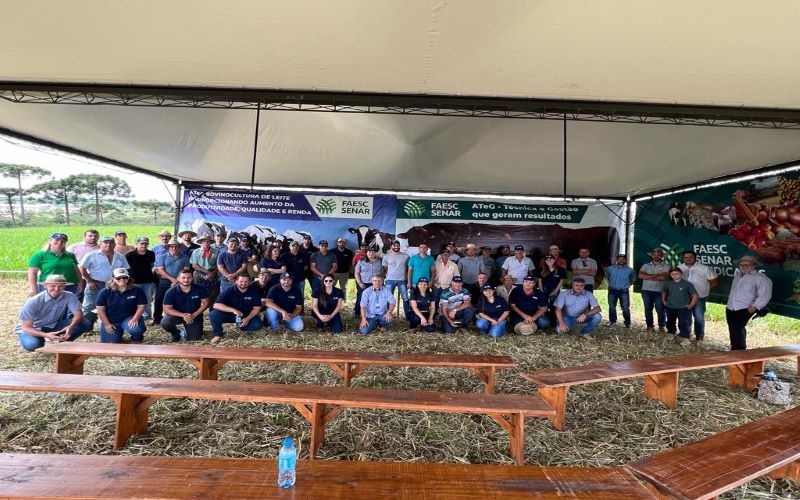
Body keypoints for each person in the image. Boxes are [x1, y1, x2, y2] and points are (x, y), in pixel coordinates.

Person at [14, 274, 91, 352]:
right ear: (45, 285)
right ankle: (38, 338)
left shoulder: (69, 296)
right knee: (33, 345)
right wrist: (46, 335)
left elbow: (78, 314)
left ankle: (63, 342)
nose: (56, 289)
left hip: (53, 325)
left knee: (85, 322)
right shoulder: (34, 301)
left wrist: (71, 326)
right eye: (53, 286)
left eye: (60, 286)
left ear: (64, 286)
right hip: (34, 327)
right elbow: (26, 327)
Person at [78, 236, 130, 326]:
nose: (108, 244)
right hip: (96, 283)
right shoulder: (91, 255)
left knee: (111, 305)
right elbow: (82, 268)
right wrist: (89, 281)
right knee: (89, 306)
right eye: (105, 242)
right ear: (100, 244)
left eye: (111, 242)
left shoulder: (120, 257)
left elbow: (126, 270)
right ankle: (87, 326)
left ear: (114, 244)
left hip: (114, 285)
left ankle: (109, 325)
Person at [725, 255, 772, 350]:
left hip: (744, 308)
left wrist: (755, 307)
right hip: (731, 307)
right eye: (741, 264)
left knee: (738, 329)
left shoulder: (761, 278)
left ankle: (740, 352)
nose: (743, 266)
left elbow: (765, 295)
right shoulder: (738, 276)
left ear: (753, 266)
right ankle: (734, 350)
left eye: (747, 264)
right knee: (733, 329)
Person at [95, 268, 147, 343]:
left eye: (125, 277)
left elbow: (141, 306)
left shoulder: (137, 290)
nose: (122, 279)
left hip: (129, 318)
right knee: (111, 343)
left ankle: (137, 337)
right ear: (113, 279)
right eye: (118, 278)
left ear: (128, 278)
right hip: (112, 321)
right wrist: (107, 324)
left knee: (136, 329)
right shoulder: (105, 291)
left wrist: (135, 319)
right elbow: (100, 309)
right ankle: (114, 335)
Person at [209, 274, 263, 344]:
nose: (243, 283)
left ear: (249, 282)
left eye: (246, 281)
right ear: (236, 281)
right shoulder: (229, 290)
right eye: (241, 281)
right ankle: (218, 335)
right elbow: (216, 305)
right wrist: (233, 310)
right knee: (214, 314)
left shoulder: (254, 291)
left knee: (257, 325)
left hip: (246, 315)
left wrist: (248, 318)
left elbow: (257, 308)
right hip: (230, 315)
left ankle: (242, 327)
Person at [678, 250, 719, 341]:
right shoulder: (679, 268)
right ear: (683, 258)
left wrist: (705, 288)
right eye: (686, 257)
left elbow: (714, 281)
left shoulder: (704, 268)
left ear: (695, 258)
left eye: (690, 257)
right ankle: (685, 334)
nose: (688, 259)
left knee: (699, 316)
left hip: (700, 297)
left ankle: (699, 336)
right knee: (685, 316)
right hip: (684, 297)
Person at [27, 232, 83, 297]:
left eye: (63, 241)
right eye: (57, 240)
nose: (60, 242)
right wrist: (34, 289)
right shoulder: (39, 255)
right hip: (49, 287)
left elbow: (76, 270)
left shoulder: (70, 255)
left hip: (70, 286)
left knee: (67, 306)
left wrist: (81, 283)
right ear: (50, 241)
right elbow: (32, 273)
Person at [161, 268, 209, 341]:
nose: (186, 280)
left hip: (194, 316)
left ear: (192, 278)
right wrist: (183, 315)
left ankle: (192, 330)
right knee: (166, 322)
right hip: (177, 315)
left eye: (189, 278)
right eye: (183, 278)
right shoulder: (171, 291)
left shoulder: (200, 289)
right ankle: (176, 333)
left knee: (195, 338)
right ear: (178, 278)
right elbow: (166, 309)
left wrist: (193, 315)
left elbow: (206, 303)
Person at [153, 238, 190, 325]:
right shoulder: (162, 257)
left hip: (180, 282)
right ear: (168, 247)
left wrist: (177, 279)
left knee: (178, 300)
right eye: (172, 246)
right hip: (165, 280)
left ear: (179, 247)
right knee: (159, 299)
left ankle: (178, 317)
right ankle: (157, 318)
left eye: (176, 246)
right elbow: (160, 270)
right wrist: (171, 279)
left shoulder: (185, 257)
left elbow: (186, 270)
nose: (174, 248)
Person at [661, 267, 698, 346]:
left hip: (683, 308)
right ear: (670, 275)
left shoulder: (687, 284)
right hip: (670, 306)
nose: (675, 275)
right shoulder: (668, 283)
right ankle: (671, 334)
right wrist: (664, 301)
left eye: (677, 273)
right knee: (670, 321)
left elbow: (694, 295)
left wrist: (690, 305)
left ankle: (685, 338)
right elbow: (664, 292)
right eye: (673, 274)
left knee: (684, 323)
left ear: (681, 274)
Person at [638, 247, 670, 333]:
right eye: (654, 255)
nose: (656, 256)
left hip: (660, 291)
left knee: (660, 310)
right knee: (648, 309)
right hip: (646, 291)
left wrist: (648, 276)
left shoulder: (667, 266)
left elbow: (663, 277)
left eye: (659, 255)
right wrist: (656, 275)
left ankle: (662, 326)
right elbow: (640, 276)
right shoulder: (645, 265)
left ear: (662, 256)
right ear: (652, 256)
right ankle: (650, 326)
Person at [125, 237, 157, 320]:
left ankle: (148, 317)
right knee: (134, 300)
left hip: (148, 281)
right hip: (134, 282)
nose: (144, 245)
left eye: (146, 244)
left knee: (148, 300)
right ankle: (134, 317)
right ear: (137, 244)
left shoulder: (151, 253)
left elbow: (151, 265)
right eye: (142, 243)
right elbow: (127, 268)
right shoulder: (129, 255)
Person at [605, 254, 635, 328]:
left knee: (625, 307)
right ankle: (612, 321)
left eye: (623, 259)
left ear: (625, 260)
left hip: (624, 291)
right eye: (619, 259)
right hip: (612, 290)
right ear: (617, 260)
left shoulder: (630, 270)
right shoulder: (610, 269)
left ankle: (627, 323)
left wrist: (625, 286)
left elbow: (633, 280)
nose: (621, 260)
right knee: (612, 307)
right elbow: (607, 278)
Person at [190, 235, 220, 303]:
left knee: (213, 293)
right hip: (199, 273)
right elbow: (194, 265)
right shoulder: (196, 251)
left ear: (210, 242)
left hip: (213, 273)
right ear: (201, 242)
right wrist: (206, 272)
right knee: (197, 291)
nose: (206, 243)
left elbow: (218, 265)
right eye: (204, 241)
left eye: (207, 241)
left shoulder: (216, 252)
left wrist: (213, 273)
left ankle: (211, 310)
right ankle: (197, 309)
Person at [354, 246, 383, 318]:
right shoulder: (361, 261)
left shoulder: (380, 261)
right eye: (369, 252)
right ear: (366, 253)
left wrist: (381, 281)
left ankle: (375, 314)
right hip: (364, 283)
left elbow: (383, 272)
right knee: (361, 298)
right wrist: (360, 283)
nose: (371, 253)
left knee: (376, 299)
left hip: (376, 284)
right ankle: (357, 313)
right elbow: (357, 273)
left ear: (376, 253)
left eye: (373, 252)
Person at [382, 240, 410, 315]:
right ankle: (386, 315)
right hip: (389, 280)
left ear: (399, 246)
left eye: (398, 245)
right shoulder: (386, 256)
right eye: (394, 246)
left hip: (402, 280)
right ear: (391, 247)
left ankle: (407, 316)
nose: (396, 247)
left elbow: (408, 268)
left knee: (405, 298)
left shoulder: (406, 256)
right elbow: (385, 268)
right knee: (388, 298)